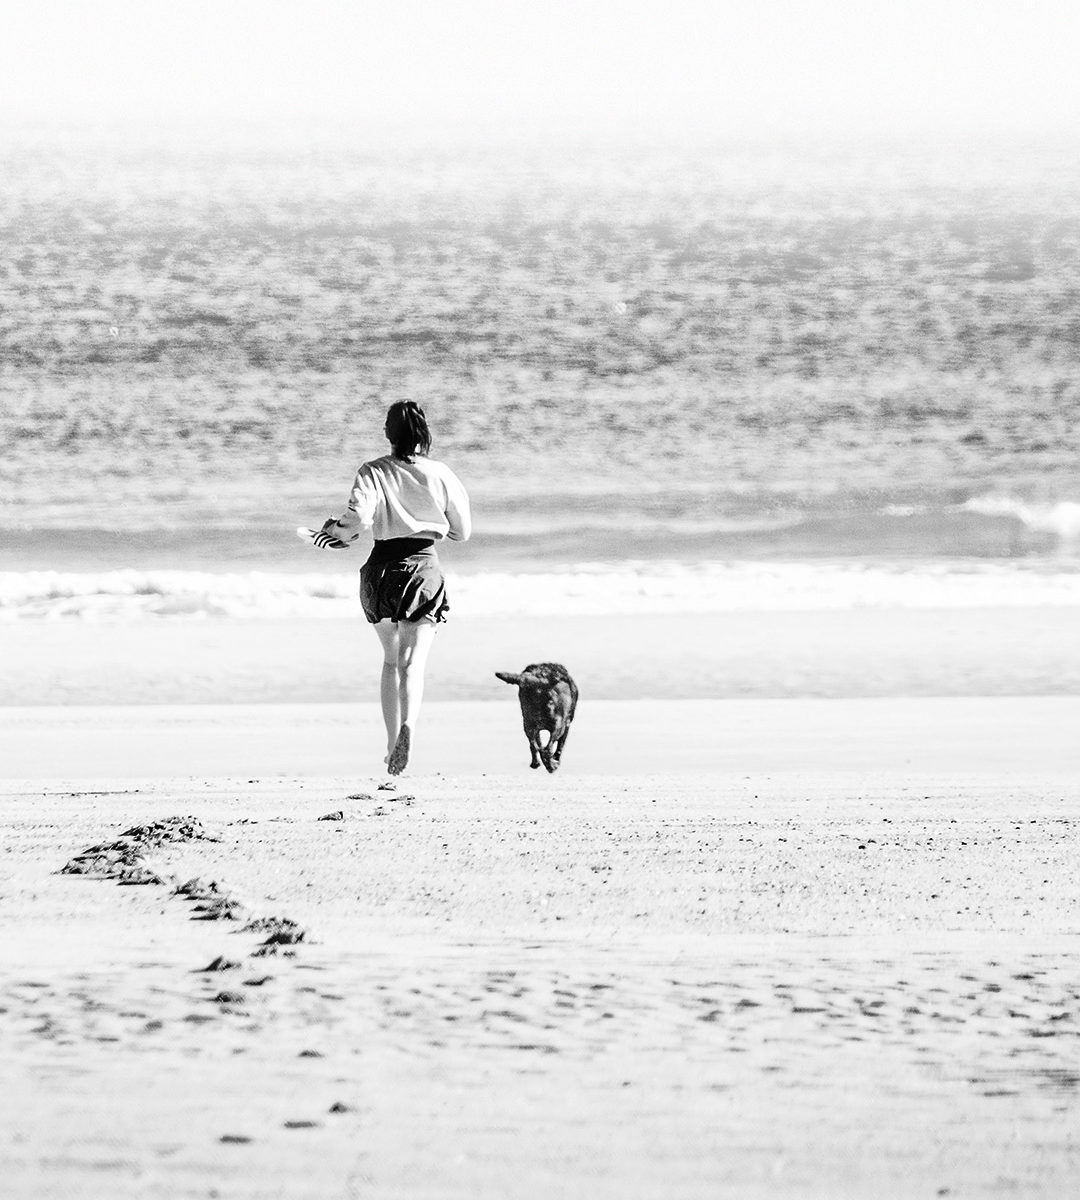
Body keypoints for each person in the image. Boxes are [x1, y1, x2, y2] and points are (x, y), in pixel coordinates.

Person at [319, 401, 471, 775]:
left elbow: (359, 519)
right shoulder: (442, 474)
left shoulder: (372, 472)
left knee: (390, 660)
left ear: (388, 433)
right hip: (422, 567)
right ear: (424, 433)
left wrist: (335, 532)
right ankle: (410, 727)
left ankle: (391, 745)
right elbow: (462, 531)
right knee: (413, 662)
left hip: (381, 571)